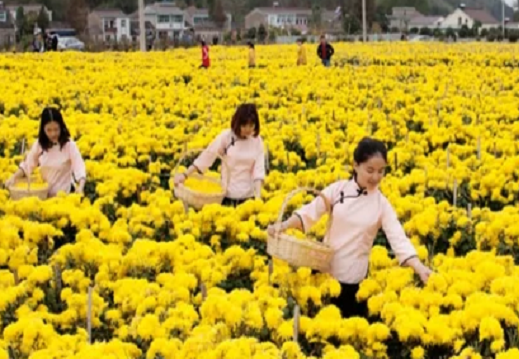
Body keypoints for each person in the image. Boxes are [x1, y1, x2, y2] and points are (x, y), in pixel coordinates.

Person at [267, 138, 433, 319]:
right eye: (370, 170)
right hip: (324, 274)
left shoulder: (381, 204)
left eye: (381, 171)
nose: (375, 177)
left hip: (353, 281)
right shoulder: (338, 190)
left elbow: (398, 239)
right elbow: (309, 213)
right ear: (355, 165)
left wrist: (419, 267)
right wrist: (281, 226)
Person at [173, 103, 265, 207]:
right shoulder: (227, 137)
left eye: (251, 125)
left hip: (249, 197)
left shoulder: (257, 141)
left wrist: (258, 199)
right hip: (227, 196)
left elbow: (259, 171)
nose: (248, 130)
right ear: (237, 123)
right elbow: (207, 157)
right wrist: (185, 175)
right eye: (244, 126)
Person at [5, 108, 87, 198]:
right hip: (44, 196)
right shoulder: (39, 145)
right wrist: (13, 177)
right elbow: (27, 165)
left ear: (61, 127)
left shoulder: (69, 145)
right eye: (49, 130)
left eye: (56, 129)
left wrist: (80, 187)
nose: (53, 134)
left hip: (64, 197)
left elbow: (79, 167)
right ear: (43, 129)